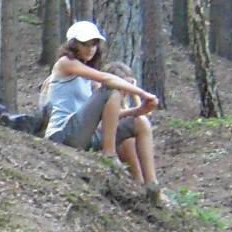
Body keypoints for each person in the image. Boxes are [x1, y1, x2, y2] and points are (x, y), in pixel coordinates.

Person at [40, 22, 162, 196]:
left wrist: (136, 111)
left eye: (94, 44)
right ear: (73, 44)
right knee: (112, 89)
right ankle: (109, 154)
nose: (91, 49)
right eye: (85, 44)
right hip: (62, 134)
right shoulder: (65, 63)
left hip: (84, 135)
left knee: (140, 123)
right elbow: (107, 80)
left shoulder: (88, 76)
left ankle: (152, 187)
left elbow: (108, 114)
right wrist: (142, 93)